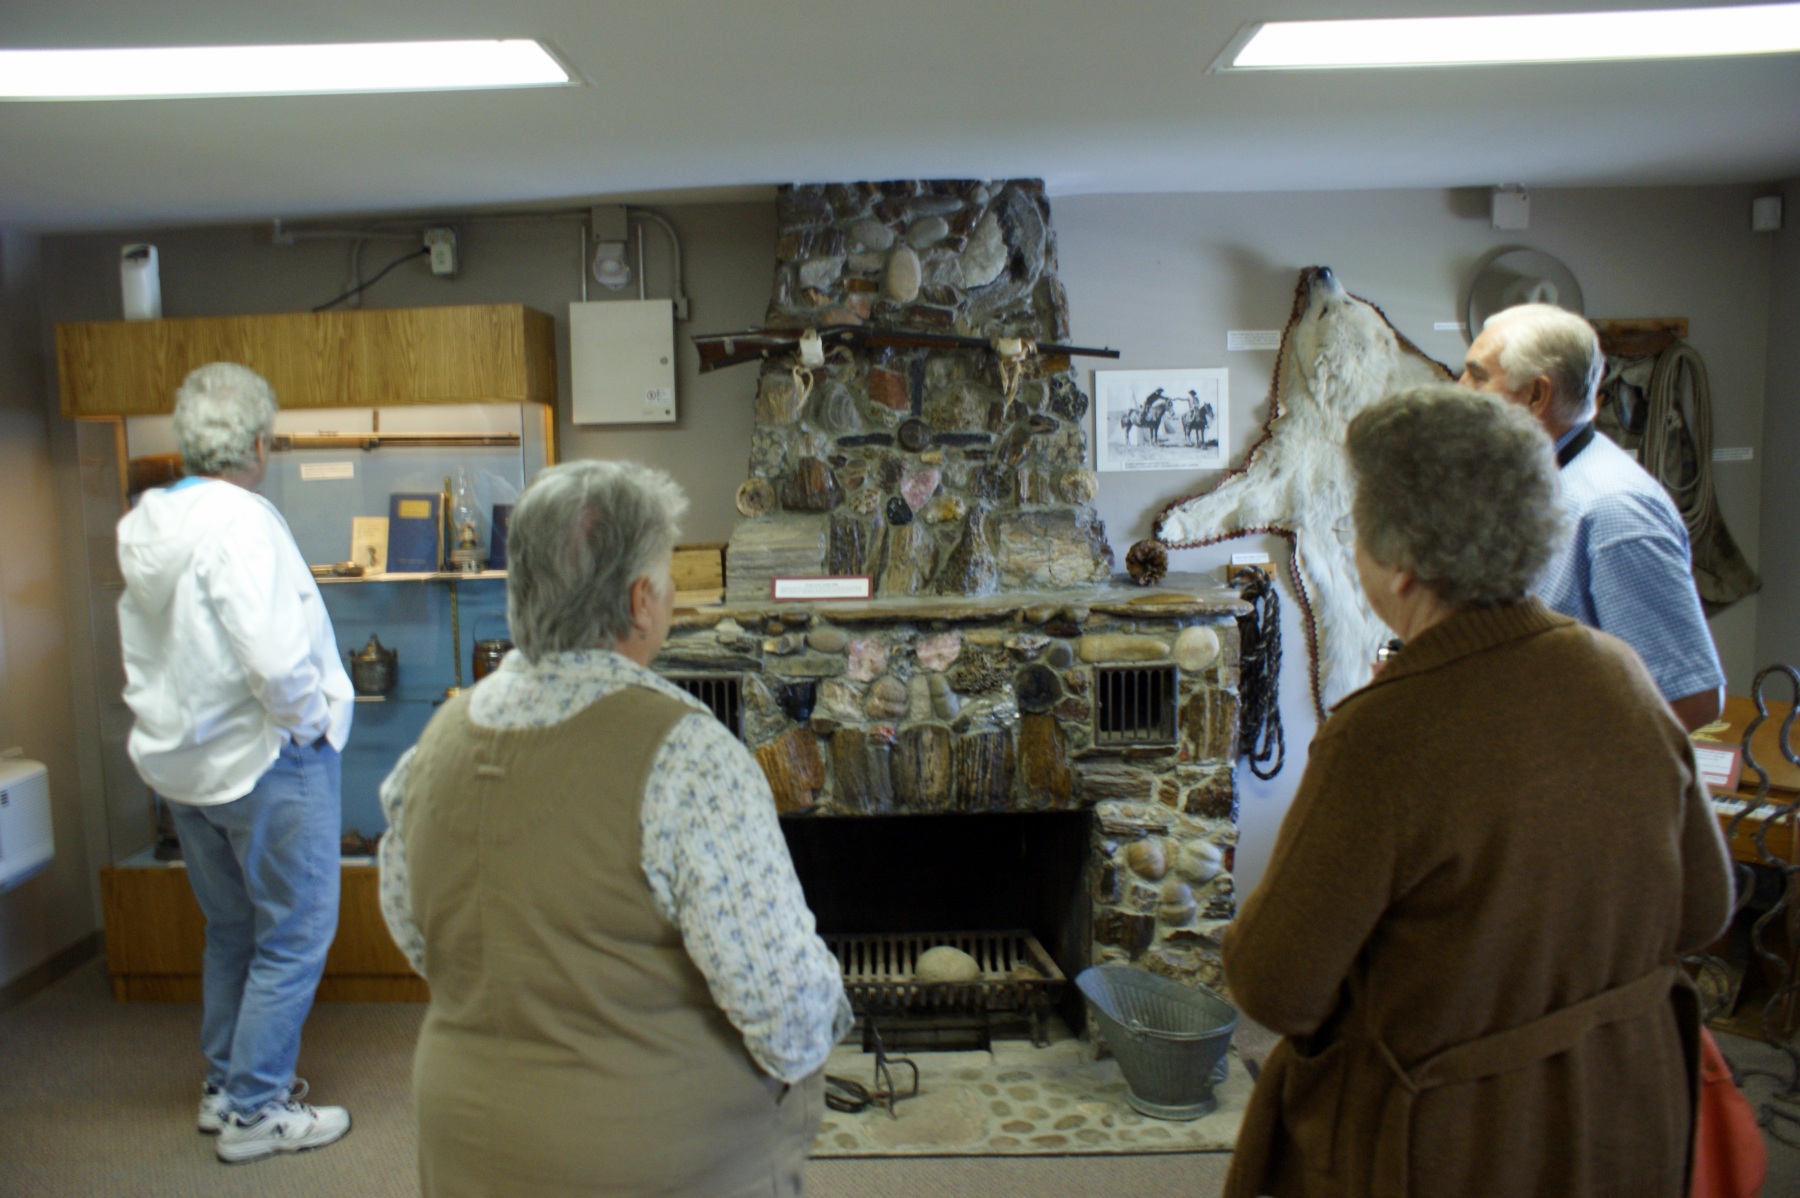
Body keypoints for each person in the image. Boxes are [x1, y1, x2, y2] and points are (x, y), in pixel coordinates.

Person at [1222, 385, 1734, 1198]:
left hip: (1452, 1139)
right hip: (1620, 1116)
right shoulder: (1620, 675)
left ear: (1399, 560)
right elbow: (1705, 908)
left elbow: (1273, 986)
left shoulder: (1384, 733)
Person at [377, 459, 851, 1198]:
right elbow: (787, 1013)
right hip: (655, 1161)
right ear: (641, 600)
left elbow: (417, 936)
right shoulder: (689, 757)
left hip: (464, 1145)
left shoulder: (432, 747)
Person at [117, 362, 355, 1163]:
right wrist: (311, 726)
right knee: (295, 934)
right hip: (266, 760)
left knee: (232, 929)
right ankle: (256, 1111)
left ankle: (225, 1087)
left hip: (186, 766)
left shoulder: (149, 522)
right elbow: (276, 656)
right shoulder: (241, 522)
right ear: (259, 444)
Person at [1460, 302, 1725, 731]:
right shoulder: (1539, 483)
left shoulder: (1613, 511)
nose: (1460, 390)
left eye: (1477, 376)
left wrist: (1555, 759)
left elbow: (1690, 700)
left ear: (1536, 395)